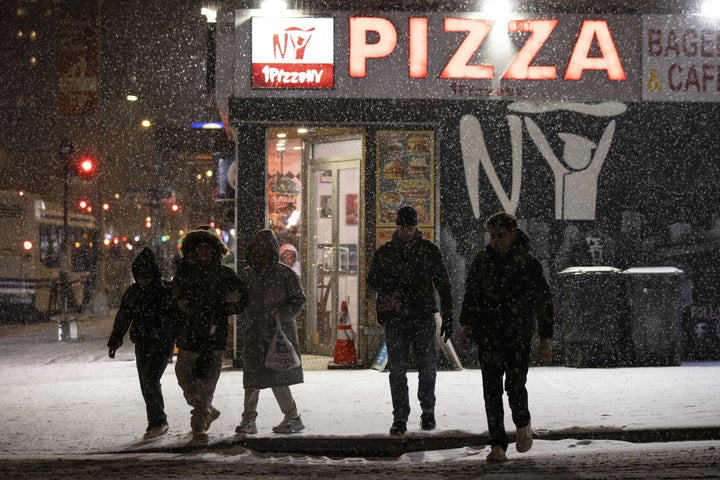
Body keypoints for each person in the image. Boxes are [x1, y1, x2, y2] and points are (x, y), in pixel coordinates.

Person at [458, 211, 554, 463]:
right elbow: (471, 295)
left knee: (514, 385)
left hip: (518, 335)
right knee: (491, 390)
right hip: (488, 335)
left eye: (501, 235)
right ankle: (497, 443)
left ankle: (522, 423)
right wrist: (466, 325)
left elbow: (543, 302)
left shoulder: (528, 264)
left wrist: (545, 337)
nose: (496, 240)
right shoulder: (483, 260)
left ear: (513, 234)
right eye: (492, 235)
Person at [367, 205, 454, 436]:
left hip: (422, 316)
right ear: (398, 226)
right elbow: (372, 281)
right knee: (398, 371)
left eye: (410, 227)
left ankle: (427, 411)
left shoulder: (427, 251)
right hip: (398, 319)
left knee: (426, 367)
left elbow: (443, 283)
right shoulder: (387, 252)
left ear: (417, 226)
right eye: (403, 227)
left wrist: (448, 313)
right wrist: (393, 281)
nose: (406, 231)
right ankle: (401, 417)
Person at [172, 228, 248, 440]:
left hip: (214, 336)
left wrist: (228, 305)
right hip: (189, 335)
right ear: (192, 250)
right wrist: (178, 304)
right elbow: (171, 298)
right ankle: (205, 409)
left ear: (215, 250)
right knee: (184, 375)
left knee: (206, 381)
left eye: (207, 247)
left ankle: (199, 425)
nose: (203, 251)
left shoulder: (225, 274)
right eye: (199, 247)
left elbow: (242, 298)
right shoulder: (184, 274)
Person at [235, 229, 307, 435]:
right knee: (252, 379)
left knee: (277, 379)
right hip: (257, 333)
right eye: (257, 252)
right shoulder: (248, 274)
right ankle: (251, 418)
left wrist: (279, 315)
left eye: (265, 252)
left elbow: (299, 301)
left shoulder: (285, 274)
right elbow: (242, 300)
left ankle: (290, 417)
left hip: (277, 334)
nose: (261, 256)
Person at [107, 247, 177, 440]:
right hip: (144, 342)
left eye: (146, 275)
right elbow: (123, 317)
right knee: (147, 383)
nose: (143, 279)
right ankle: (156, 421)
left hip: (162, 342)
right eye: (140, 276)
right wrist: (115, 340)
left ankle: (158, 422)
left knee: (150, 381)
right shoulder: (136, 292)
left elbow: (177, 316)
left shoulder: (164, 290)